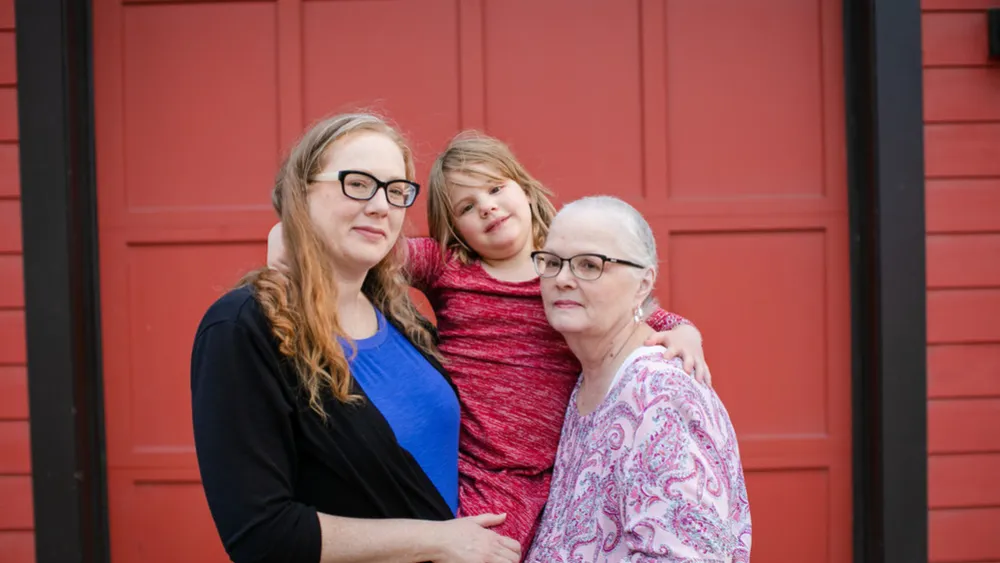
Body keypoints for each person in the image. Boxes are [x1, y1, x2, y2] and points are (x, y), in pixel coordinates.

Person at [267, 131, 712, 554]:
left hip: (552, 469)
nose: (487, 208)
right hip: (476, 465)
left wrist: (686, 332)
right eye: (467, 206)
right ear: (455, 228)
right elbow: (367, 246)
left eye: (496, 189)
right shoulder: (448, 267)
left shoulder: (561, 273)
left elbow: (642, 310)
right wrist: (286, 238)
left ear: (524, 187)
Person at [191, 113, 521, 563]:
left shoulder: (405, 322)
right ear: (302, 192)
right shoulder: (243, 328)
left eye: (395, 190)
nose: (382, 206)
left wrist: (643, 330)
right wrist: (439, 540)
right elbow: (261, 534)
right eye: (359, 183)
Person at [525, 195, 751, 562]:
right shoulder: (587, 382)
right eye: (551, 262)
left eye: (589, 265)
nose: (562, 279)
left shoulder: (658, 394)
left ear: (643, 284)